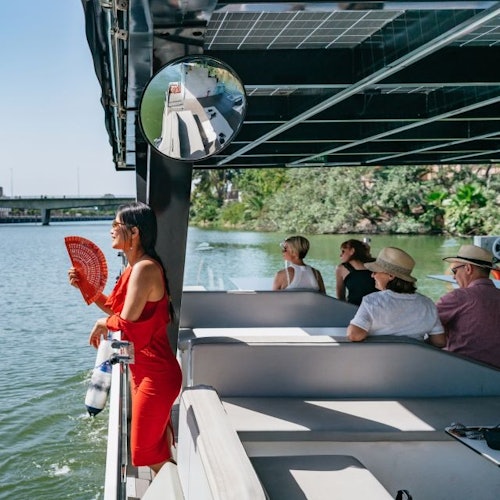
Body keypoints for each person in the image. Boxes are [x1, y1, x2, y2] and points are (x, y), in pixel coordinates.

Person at [68, 201, 182, 473]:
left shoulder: (145, 269)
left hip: (156, 375)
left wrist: (102, 323)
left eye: (115, 225)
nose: (110, 230)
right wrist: (85, 285)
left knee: (144, 452)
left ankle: (182, 488)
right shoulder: (134, 268)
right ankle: (172, 485)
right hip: (143, 371)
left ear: (134, 232)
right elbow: (117, 310)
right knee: (154, 448)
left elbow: (126, 324)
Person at [347, 246, 445, 346]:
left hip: (379, 355)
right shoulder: (427, 304)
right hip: (415, 355)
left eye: (375, 272)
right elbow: (439, 342)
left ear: (391, 275)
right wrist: (418, 344)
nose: (372, 275)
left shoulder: (372, 301)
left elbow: (354, 335)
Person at [436, 244, 500, 368]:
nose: (454, 276)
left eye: (455, 271)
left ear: (468, 268)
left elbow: (424, 324)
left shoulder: (458, 297)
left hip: (465, 371)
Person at [335, 239, 377, 305]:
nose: (340, 255)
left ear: (352, 251)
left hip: (375, 306)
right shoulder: (341, 269)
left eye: (343, 251)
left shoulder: (375, 265)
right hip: (353, 307)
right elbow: (340, 297)